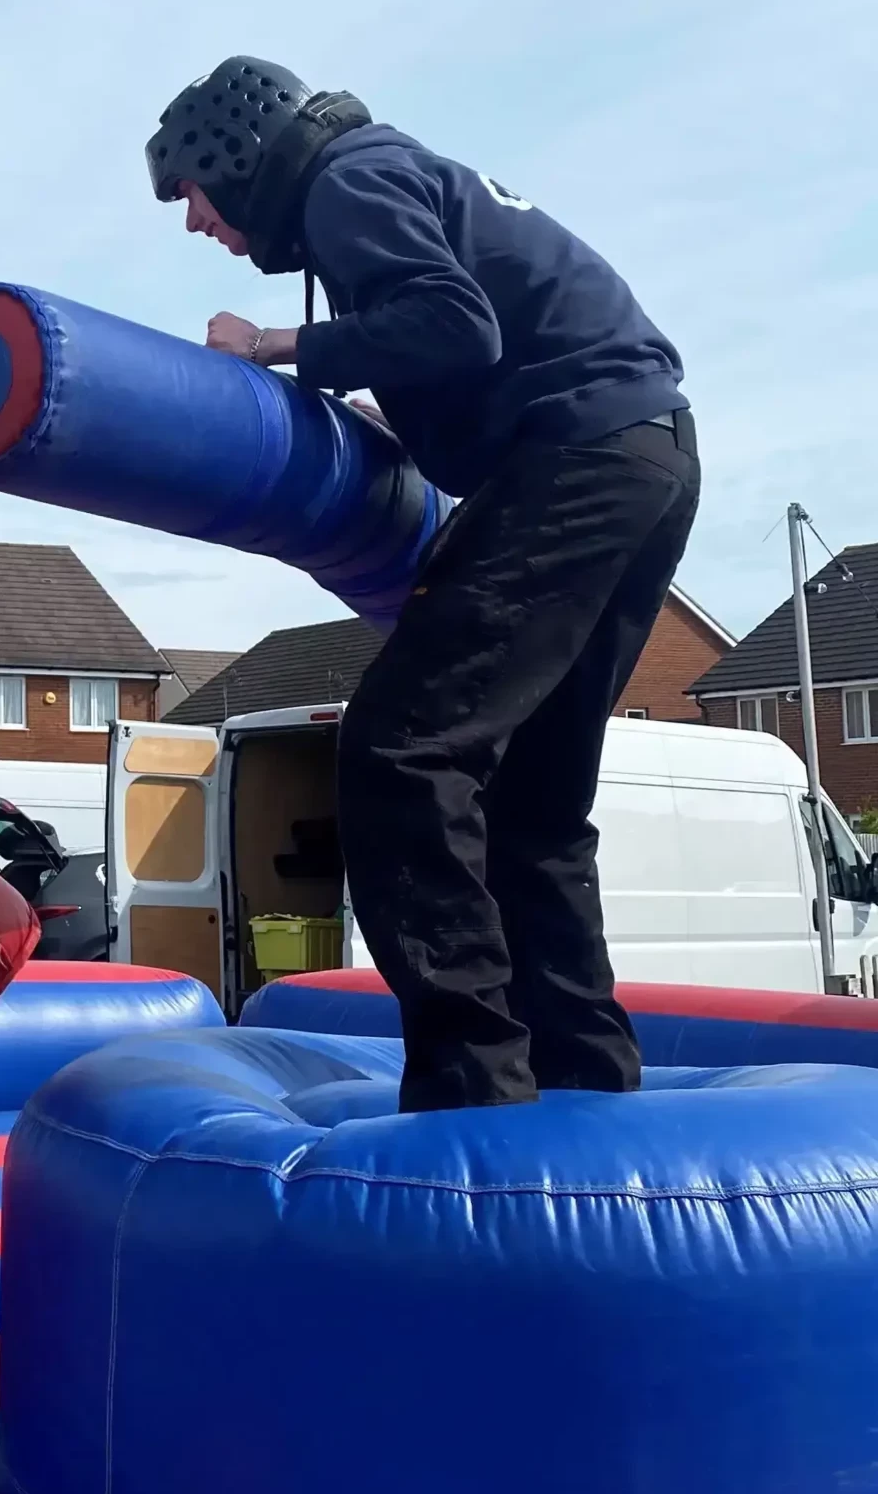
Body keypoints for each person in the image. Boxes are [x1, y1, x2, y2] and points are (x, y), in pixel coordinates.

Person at [148, 56, 698, 1113]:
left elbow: (453, 323)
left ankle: (470, 1075)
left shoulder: (345, 181)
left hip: (577, 455)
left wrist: (276, 345)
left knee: (399, 747)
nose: (194, 224)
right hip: (645, 453)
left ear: (232, 153)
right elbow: (478, 342)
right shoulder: (392, 174)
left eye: (192, 196)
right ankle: (583, 1071)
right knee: (533, 802)